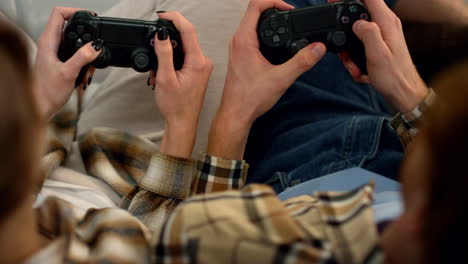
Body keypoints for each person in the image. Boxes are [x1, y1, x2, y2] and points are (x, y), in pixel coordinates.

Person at [0, 1, 466, 264]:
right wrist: (408, 93)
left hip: (305, 152)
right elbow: (187, 240)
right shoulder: (400, 230)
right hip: (335, 153)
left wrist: (38, 105)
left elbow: (196, 234)